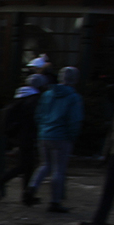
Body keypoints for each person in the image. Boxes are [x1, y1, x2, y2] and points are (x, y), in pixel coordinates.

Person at [26, 66, 84, 212]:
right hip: (61, 136)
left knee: (44, 165)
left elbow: (39, 114)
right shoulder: (73, 97)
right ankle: (54, 201)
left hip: (45, 133)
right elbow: (74, 120)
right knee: (59, 170)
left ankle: (32, 188)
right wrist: (72, 135)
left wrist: (43, 128)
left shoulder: (48, 94)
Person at [0, 74, 46, 203]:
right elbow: (33, 120)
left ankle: (26, 195)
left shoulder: (21, 96)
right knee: (26, 165)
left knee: (27, 165)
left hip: (18, 135)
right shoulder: (34, 99)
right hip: (27, 136)